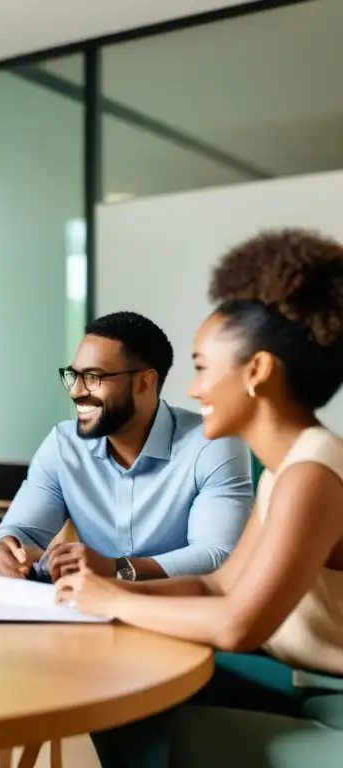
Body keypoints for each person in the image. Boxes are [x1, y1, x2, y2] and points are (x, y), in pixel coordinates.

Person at [58, 229, 343, 767]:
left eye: (202, 366)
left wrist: (111, 601)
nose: (192, 388)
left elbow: (238, 624)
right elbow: (217, 584)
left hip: (331, 703)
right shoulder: (288, 470)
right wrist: (105, 586)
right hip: (305, 683)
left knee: (144, 714)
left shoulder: (313, 472)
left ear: (256, 371)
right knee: (117, 687)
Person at [0, 311, 252, 584]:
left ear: (144, 382)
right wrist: (6, 549)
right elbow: (20, 531)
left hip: (177, 616)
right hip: (84, 614)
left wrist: (119, 568)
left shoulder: (212, 444)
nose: (76, 391)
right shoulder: (64, 445)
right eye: (73, 376)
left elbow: (218, 554)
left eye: (93, 377)